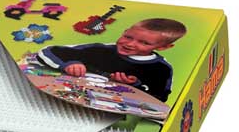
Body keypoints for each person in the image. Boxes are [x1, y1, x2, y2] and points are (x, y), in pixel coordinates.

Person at [36, 18, 186, 102]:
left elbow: (159, 98)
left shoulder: (161, 69)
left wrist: (134, 86)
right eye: (128, 37)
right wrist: (69, 63)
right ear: (125, 31)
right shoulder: (101, 49)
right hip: (66, 98)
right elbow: (48, 51)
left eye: (144, 43)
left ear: (164, 47)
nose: (130, 44)